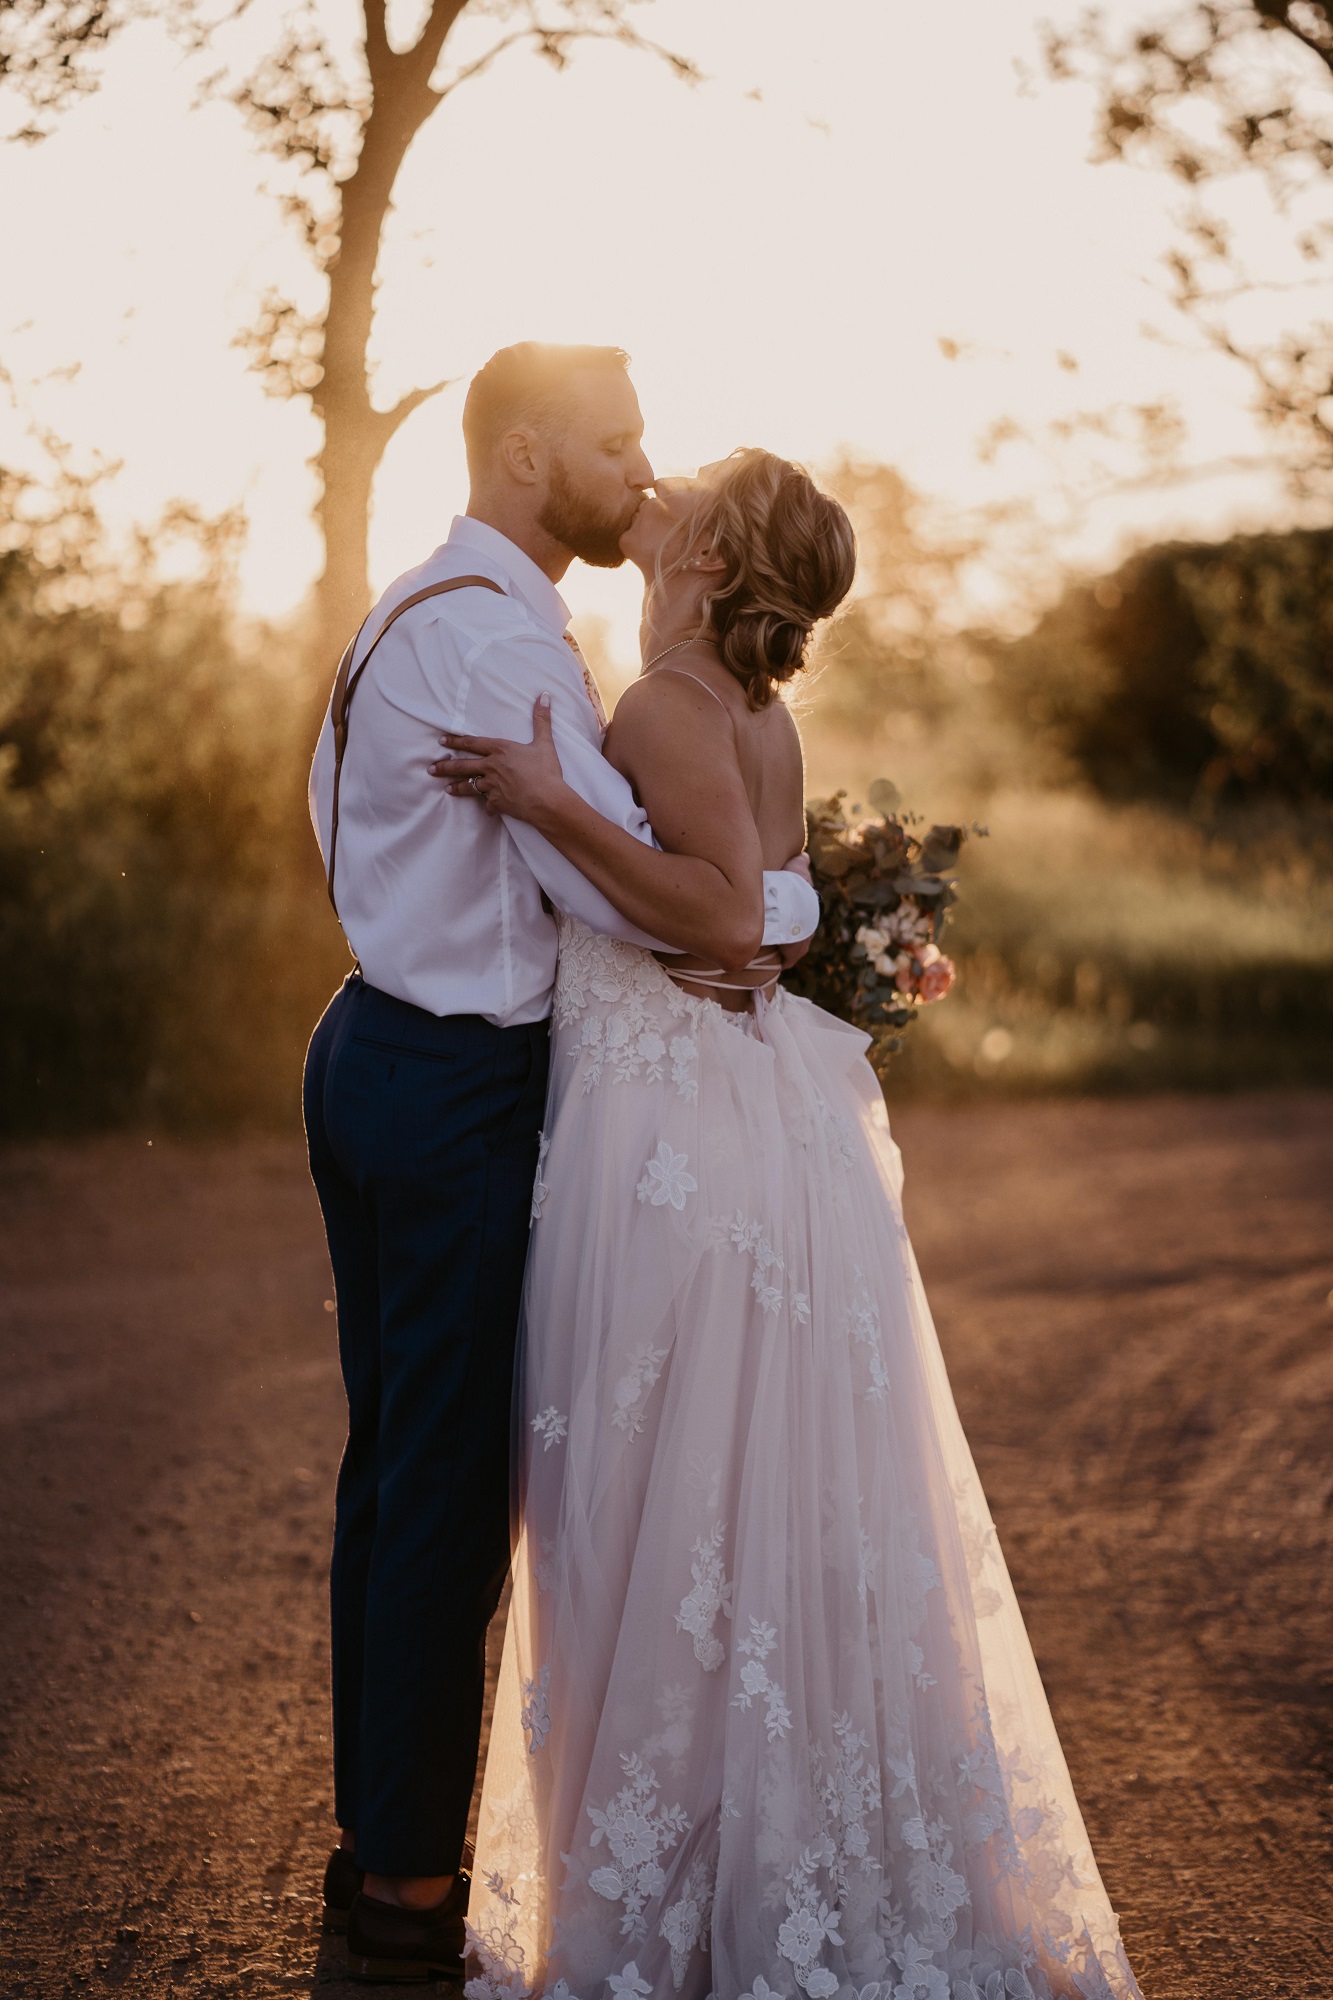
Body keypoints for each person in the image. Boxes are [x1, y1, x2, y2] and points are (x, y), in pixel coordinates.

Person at [436, 450, 1145, 2000]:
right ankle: (744, 1871)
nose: (657, 487)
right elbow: (777, 908)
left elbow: (709, 908)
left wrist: (553, 797)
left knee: (647, 1497)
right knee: (725, 1502)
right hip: (722, 1112)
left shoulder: (665, 710)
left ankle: (673, 1916)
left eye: (685, 491)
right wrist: (754, 927)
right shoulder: (754, 712)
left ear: (702, 558)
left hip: (667, 1130)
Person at [303, 344, 820, 1985]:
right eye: (615, 446)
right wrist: (805, 912)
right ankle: (396, 1891)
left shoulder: (434, 609)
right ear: (526, 459)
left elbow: (346, 818)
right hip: (448, 1077)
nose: (640, 473)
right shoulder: (488, 637)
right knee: (440, 1490)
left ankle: (383, 1852)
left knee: (401, 1466)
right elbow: (649, 894)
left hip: (384, 1037)